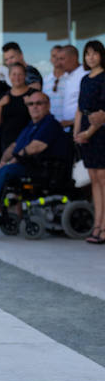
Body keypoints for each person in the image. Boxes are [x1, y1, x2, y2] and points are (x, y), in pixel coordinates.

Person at [0, 92, 69, 226]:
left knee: (3, 172)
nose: (34, 107)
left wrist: (9, 163)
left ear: (48, 105)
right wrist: (3, 161)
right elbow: (14, 146)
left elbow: (35, 147)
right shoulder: (30, 125)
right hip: (24, 166)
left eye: (39, 103)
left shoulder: (50, 124)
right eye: (31, 104)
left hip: (41, 169)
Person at [74, 40, 105, 244]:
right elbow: (79, 107)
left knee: (103, 178)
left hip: (100, 130)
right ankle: (97, 225)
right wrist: (77, 132)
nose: (90, 57)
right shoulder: (85, 79)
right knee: (93, 178)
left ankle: (104, 228)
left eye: (94, 53)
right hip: (85, 127)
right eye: (87, 54)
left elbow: (103, 111)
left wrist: (89, 132)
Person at [0, 62, 31, 152]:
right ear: (9, 76)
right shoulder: (4, 96)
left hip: (28, 143)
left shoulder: (33, 94)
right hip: (7, 144)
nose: (17, 77)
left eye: (20, 74)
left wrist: (30, 104)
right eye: (14, 74)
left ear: (25, 76)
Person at [59, 45, 84, 131]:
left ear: (74, 58)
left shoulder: (85, 75)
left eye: (62, 59)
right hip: (67, 129)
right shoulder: (65, 76)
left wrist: (72, 121)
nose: (59, 63)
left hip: (82, 128)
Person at [43, 44, 64, 123]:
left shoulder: (71, 79)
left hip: (69, 127)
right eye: (54, 56)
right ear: (50, 59)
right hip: (50, 125)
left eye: (60, 56)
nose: (56, 59)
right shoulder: (46, 80)